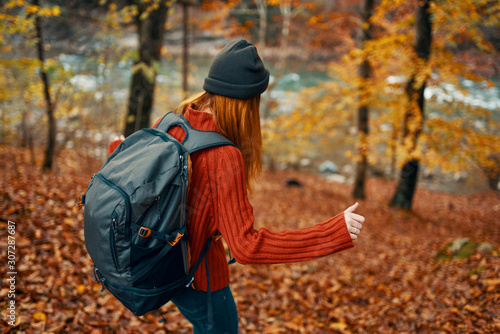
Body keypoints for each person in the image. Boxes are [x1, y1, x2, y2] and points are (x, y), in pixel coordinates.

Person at [109, 39, 365, 334]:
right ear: (248, 102)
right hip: (200, 279)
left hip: (158, 262)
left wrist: (117, 148)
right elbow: (247, 247)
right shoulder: (223, 156)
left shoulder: (170, 122)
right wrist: (334, 231)